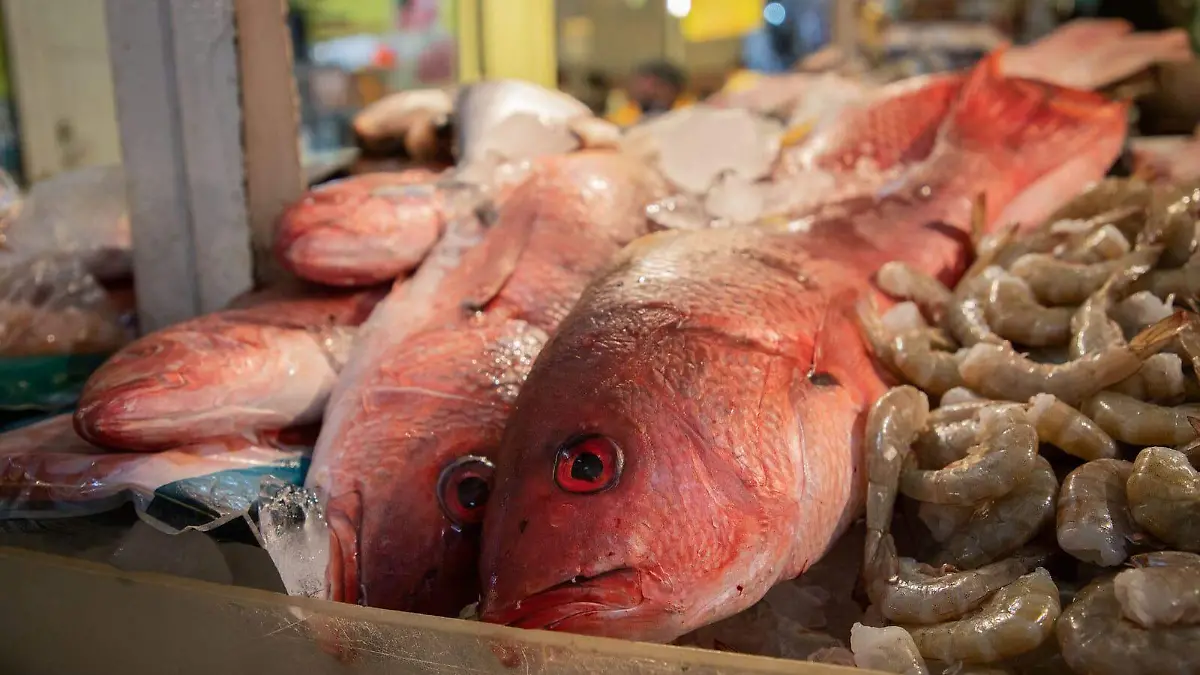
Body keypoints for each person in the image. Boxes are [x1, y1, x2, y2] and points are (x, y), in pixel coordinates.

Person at [605, 60, 695, 127]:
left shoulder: (689, 115)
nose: (640, 90)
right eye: (638, 83)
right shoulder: (626, 115)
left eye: (658, 85)